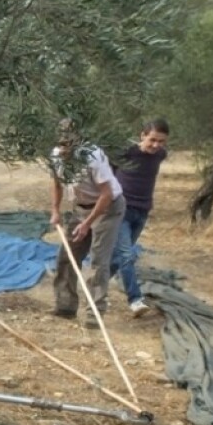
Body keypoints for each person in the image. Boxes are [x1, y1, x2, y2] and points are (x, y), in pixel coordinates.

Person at [48, 118, 125, 325]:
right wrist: (55, 210)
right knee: (67, 255)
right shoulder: (55, 156)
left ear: (78, 139)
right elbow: (56, 184)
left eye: (68, 141)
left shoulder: (93, 156)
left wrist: (88, 223)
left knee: (98, 260)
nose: (63, 145)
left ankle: (94, 314)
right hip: (80, 208)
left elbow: (107, 194)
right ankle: (65, 306)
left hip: (107, 209)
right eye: (60, 140)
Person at [109, 119, 170, 317]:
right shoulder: (125, 151)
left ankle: (96, 285)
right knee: (127, 255)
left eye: (161, 141)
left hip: (142, 211)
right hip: (121, 210)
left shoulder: (161, 155)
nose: (156, 145)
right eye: (152, 140)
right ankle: (135, 300)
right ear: (142, 135)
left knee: (118, 259)